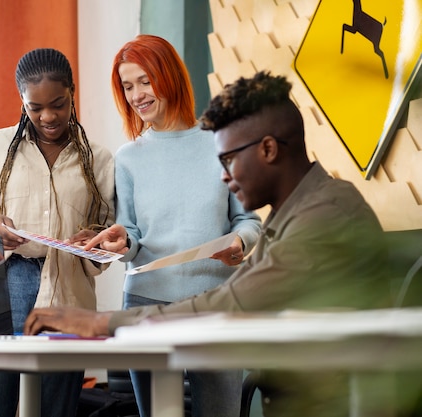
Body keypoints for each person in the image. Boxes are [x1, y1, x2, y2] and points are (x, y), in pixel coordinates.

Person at [24, 71, 390, 417]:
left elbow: (228, 306)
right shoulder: (293, 213)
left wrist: (102, 322)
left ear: (267, 149)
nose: (223, 176)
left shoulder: (324, 216)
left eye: (228, 160)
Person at [72, 34, 261, 417]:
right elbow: (134, 237)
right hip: (146, 305)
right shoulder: (128, 159)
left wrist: (241, 242)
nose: (137, 95)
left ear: (169, 76)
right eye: (127, 86)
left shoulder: (222, 144)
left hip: (214, 304)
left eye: (145, 80)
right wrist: (121, 241)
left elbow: (249, 220)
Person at [0, 48, 115, 417]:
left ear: (73, 92)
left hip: (68, 292)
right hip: (5, 284)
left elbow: (108, 239)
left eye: (58, 104)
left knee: (55, 409)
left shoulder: (100, 159)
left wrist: (92, 242)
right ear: (22, 101)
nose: (48, 116)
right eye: (35, 107)